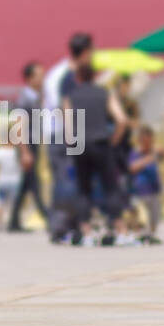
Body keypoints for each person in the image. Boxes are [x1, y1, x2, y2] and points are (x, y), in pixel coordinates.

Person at [62, 61, 127, 244]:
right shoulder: (105, 93)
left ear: (78, 77)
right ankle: (120, 228)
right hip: (101, 143)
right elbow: (121, 120)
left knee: (83, 189)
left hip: (81, 144)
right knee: (111, 186)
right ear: (95, 76)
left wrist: (71, 146)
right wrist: (113, 141)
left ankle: (87, 231)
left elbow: (68, 126)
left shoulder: (71, 96)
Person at [44, 34, 92, 243]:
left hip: (63, 133)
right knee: (65, 181)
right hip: (61, 134)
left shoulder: (65, 73)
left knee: (67, 180)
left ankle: (67, 226)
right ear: (86, 53)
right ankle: (60, 228)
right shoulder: (65, 75)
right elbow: (63, 107)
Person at [7, 62, 49, 232]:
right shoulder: (25, 98)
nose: (43, 79)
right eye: (39, 75)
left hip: (32, 144)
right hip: (27, 144)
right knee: (34, 183)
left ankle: (13, 222)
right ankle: (49, 217)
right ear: (30, 78)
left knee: (26, 184)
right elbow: (19, 125)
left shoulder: (35, 96)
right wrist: (25, 152)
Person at [128, 125, 164, 244]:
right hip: (139, 192)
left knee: (155, 217)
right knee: (142, 216)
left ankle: (150, 235)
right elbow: (132, 168)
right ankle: (141, 233)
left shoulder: (155, 152)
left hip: (153, 190)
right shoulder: (135, 153)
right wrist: (149, 158)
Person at [0, 141, 21, 231]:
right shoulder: (17, 152)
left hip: (2, 179)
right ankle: (11, 223)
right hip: (15, 180)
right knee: (13, 205)